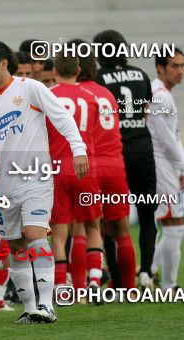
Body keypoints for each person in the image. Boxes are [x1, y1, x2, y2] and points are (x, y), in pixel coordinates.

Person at [0, 40, 88, 324]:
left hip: (36, 179)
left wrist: (79, 150)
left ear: (3, 63)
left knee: (35, 235)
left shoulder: (30, 88)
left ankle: (46, 305)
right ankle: (30, 308)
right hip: (6, 186)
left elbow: (63, 117)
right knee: (16, 245)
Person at [69, 39, 136, 290]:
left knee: (83, 227)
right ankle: (129, 289)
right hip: (116, 166)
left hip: (90, 168)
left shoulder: (76, 95)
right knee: (121, 232)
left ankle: (78, 288)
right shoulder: (106, 94)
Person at [93, 30, 158, 289]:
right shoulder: (141, 75)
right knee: (146, 214)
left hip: (115, 154)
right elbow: (145, 113)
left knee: (109, 219)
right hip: (142, 149)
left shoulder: (99, 79)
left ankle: (118, 280)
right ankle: (146, 272)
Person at [48, 51, 104, 297]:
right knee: (92, 227)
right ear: (79, 71)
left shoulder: (48, 96)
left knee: (59, 234)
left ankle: (61, 287)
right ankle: (93, 282)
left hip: (57, 169)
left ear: (54, 71)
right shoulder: (91, 98)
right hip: (85, 168)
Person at [148, 47, 184, 290]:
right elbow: (166, 140)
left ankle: (148, 272)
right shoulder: (161, 96)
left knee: (171, 222)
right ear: (160, 68)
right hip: (162, 165)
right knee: (174, 223)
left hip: (163, 164)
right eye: (174, 66)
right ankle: (169, 287)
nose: (180, 71)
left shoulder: (157, 92)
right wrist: (182, 167)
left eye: (182, 66)